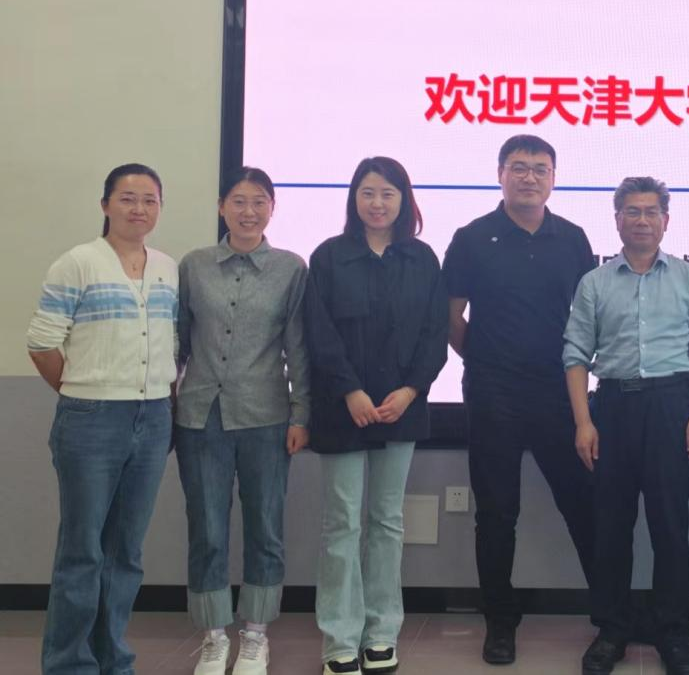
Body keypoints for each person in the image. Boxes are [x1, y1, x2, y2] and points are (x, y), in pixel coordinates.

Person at [442, 135, 597, 664]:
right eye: (519, 167)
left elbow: (588, 316)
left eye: (540, 169)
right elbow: (451, 315)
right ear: (500, 174)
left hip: (558, 391)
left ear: (554, 177)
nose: (529, 177)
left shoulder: (573, 238)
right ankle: (500, 621)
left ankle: (611, 612)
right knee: (497, 512)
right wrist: (485, 358)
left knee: (583, 502)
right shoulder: (471, 237)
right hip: (494, 393)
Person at [563, 176, 689, 675]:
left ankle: (674, 633)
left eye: (652, 212)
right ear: (617, 220)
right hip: (612, 408)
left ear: (666, 221)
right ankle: (611, 629)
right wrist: (583, 422)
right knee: (611, 527)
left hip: (672, 406)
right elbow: (575, 355)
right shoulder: (594, 282)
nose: (642, 220)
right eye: (632, 211)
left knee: (671, 527)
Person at [27, 163, 179, 675]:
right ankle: (69, 664)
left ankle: (113, 658)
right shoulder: (78, 263)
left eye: (150, 200)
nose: (139, 209)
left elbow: (171, 344)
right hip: (91, 419)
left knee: (126, 552)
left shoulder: (167, 268)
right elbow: (42, 343)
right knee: (83, 551)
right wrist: (83, 392)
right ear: (106, 204)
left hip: (154, 416)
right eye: (128, 198)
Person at [305, 157, 449, 675]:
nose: (378, 203)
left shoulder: (422, 258)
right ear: (354, 199)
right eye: (368, 192)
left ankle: (381, 632)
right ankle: (339, 639)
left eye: (388, 193)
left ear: (404, 200)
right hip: (342, 408)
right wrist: (351, 391)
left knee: (387, 521)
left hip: (401, 409)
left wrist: (410, 391)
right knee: (342, 523)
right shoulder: (329, 256)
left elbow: (435, 333)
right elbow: (318, 333)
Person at [175, 167, 310, 675]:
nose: (248, 211)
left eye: (259, 202)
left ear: (272, 208)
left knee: (265, 528)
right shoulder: (194, 266)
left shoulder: (291, 269)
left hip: (267, 416)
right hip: (200, 415)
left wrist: (302, 413)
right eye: (238, 201)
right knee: (207, 529)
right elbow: (178, 343)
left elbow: (298, 349)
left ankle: (255, 635)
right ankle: (213, 636)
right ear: (221, 207)